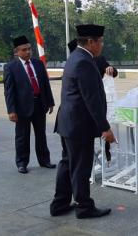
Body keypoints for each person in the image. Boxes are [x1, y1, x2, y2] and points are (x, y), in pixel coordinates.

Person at [50, 24, 116, 219]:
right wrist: (105, 128)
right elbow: (91, 99)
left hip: (68, 123)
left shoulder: (75, 58)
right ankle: (84, 207)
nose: (101, 45)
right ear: (90, 42)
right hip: (79, 125)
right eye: (100, 41)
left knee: (68, 164)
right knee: (80, 166)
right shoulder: (84, 62)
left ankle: (60, 204)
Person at [3, 36, 55, 174]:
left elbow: (45, 84)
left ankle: (44, 160)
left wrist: (50, 102)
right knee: (22, 136)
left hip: (39, 104)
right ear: (16, 52)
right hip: (22, 108)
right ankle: (22, 163)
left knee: (41, 135)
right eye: (24, 50)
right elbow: (9, 91)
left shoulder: (38, 64)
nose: (28, 52)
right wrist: (11, 110)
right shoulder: (10, 67)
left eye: (29, 49)